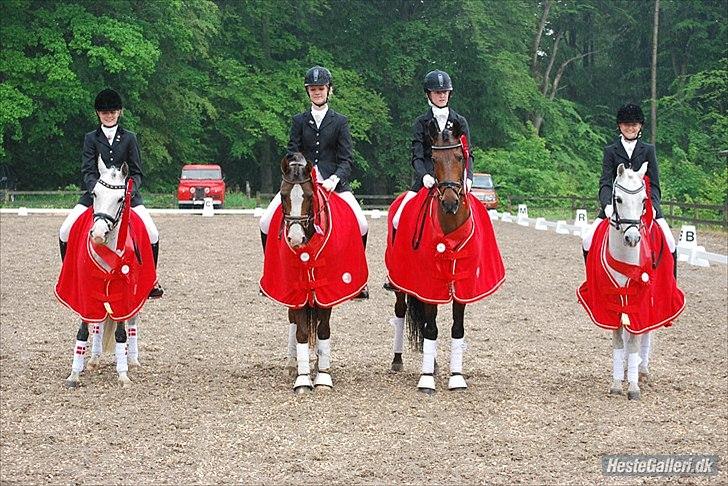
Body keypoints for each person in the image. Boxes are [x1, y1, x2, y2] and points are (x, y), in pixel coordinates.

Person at [259, 66, 369, 299]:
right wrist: (298, 172)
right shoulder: (299, 120)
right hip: (300, 182)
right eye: (313, 89)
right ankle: (271, 275)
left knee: (361, 224)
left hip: (332, 182)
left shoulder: (340, 121)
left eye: (321, 88)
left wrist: (335, 178)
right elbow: (292, 152)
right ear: (308, 92)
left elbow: (346, 158)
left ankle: (358, 281)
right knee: (266, 222)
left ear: (329, 90)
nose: (317, 92)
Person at [58, 88, 164, 298]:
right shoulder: (91, 138)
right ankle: (70, 275)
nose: (109, 115)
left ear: (119, 112)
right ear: (98, 114)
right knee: (65, 230)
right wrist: (96, 190)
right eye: (105, 112)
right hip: (96, 195)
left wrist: (129, 191)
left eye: (113, 111)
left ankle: (152, 280)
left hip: (125, 196)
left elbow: (137, 172)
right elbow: (88, 170)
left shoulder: (129, 138)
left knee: (153, 233)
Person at [384, 69, 474, 290]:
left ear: (449, 94)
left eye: (444, 92)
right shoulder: (421, 122)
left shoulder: (459, 121)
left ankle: (474, 269)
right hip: (427, 181)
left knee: (479, 222)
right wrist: (424, 175)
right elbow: (416, 155)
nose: (441, 95)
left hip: (454, 183)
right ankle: (396, 272)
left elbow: (468, 153)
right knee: (397, 219)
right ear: (429, 95)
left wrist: (468, 177)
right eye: (437, 92)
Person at [582, 102, 676, 264]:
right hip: (618, 205)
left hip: (644, 204)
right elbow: (605, 182)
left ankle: (670, 285)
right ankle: (593, 282)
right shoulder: (611, 151)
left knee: (671, 243)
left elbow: (655, 183)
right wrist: (607, 205)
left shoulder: (648, 150)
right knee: (587, 241)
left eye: (634, 125)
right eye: (626, 125)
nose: (630, 128)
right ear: (620, 126)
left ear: (640, 126)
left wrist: (653, 206)